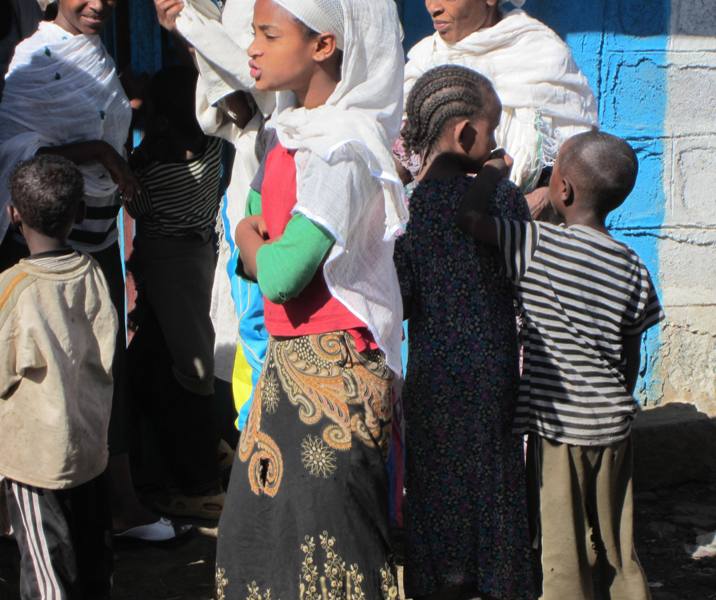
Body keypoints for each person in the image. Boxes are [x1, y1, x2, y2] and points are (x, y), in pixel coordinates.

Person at [214, 0, 408, 597]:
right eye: (253, 34)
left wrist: (249, 239)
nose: (253, 49)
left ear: (323, 45)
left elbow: (280, 273)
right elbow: (253, 226)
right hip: (288, 366)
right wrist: (253, 238)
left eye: (269, 35)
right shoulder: (290, 133)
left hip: (337, 374)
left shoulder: (340, 147)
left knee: (332, 544)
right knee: (262, 536)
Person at [457, 130, 664, 600]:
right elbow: (630, 352)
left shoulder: (535, 244)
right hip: (614, 427)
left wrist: (492, 172)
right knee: (615, 539)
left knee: (562, 545)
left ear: (563, 190)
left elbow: (469, 220)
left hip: (560, 432)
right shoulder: (632, 264)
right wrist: (615, 401)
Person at [0, 0, 179, 540]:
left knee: (104, 365)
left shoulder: (95, 55)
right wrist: (100, 152)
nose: (99, 4)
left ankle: (117, 502)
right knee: (45, 370)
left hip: (96, 233)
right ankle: (33, 508)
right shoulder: (32, 62)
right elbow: (17, 152)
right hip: (41, 247)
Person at [394, 65, 535, 600]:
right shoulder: (501, 199)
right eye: (492, 129)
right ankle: (499, 584)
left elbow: (402, 300)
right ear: (465, 134)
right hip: (494, 375)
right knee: (495, 487)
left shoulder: (406, 209)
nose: (496, 143)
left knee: (433, 489)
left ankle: (438, 585)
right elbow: (525, 279)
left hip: (430, 378)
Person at [153, 0, 273, 440]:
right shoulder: (256, 145)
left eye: (268, 38)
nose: (255, 53)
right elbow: (243, 107)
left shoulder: (329, 141)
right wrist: (196, 34)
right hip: (248, 206)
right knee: (251, 346)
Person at [0, 155, 116, 599]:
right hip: (89, 450)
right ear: (81, 214)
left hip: (37, 465)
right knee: (92, 565)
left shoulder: (15, 288)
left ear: (13, 214)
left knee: (48, 575)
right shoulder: (94, 274)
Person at [125, 65, 225, 519]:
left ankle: (200, 478)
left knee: (189, 368)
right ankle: (205, 454)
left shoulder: (149, 165)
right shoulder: (214, 154)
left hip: (165, 267)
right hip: (200, 257)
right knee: (158, 357)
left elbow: (135, 205)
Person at [402, 0, 598, 216]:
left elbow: (578, 159)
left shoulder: (543, 54)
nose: (433, 7)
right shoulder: (424, 61)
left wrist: (544, 198)